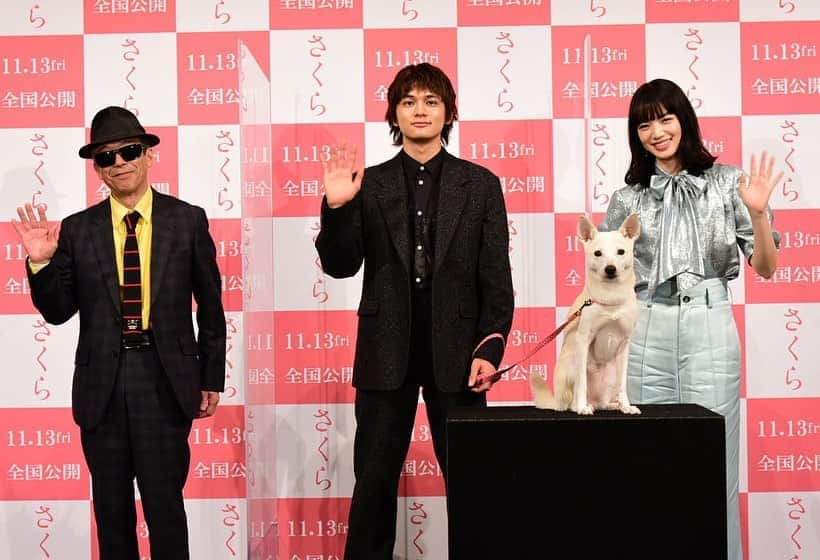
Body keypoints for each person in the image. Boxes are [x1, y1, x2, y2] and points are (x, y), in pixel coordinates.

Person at [315, 63, 514, 559]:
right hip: (386, 353)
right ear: (394, 114)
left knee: (473, 487)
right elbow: (340, 266)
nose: (419, 110)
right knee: (373, 485)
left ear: (447, 111)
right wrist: (338, 208)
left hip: (460, 355)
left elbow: (496, 279)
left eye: (430, 101)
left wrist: (490, 348)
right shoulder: (369, 184)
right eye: (408, 102)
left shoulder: (480, 184)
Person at [11, 106, 227, 560]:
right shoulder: (76, 229)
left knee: (165, 507)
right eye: (106, 157)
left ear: (149, 155)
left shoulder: (187, 220)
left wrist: (211, 378)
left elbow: (211, 306)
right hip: (101, 387)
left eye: (129, 151)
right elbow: (56, 311)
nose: (119, 162)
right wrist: (40, 262)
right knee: (111, 513)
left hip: (165, 379)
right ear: (98, 168)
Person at [600, 78, 781, 560]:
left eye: (665, 118)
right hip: (644, 332)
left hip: (708, 326)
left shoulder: (728, 182)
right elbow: (606, 278)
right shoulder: (627, 198)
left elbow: (764, 267)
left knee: (715, 468)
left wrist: (759, 215)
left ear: (684, 120)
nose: (656, 132)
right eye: (644, 124)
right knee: (644, 465)